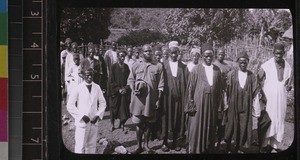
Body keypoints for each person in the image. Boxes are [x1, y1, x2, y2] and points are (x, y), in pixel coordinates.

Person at [186, 43, 222, 153]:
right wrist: (191, 103)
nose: (209, 58)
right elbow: (190, 88)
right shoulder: (196, 69)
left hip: (212, 104)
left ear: (213, 56)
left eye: (211, 55)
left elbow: (220, 89)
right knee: (197, 126)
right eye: (206, 56)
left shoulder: (217, 70)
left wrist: (220, 106)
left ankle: (208, 148)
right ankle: (195, 149)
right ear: (202, 56)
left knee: (211, 126)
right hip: (199, 104)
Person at [127, 44, 164, 154]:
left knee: (148, 123)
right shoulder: (136, 65)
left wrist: (158, 99)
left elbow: (161, 85)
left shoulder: (158, 66)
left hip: (151, 99)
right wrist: (133, 89)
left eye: (150, 51)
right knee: (138, 123)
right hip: (138, 99)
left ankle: (146, 145)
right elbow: (130, 79)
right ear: (142, 52)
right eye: (146, 51)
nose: (149, 53)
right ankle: (138, 146)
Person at [258, 43, 292, 153]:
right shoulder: (266, 66)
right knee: (268, 121)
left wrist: (288, 86)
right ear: (273, 53)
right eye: (276, 53)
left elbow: (287, 83)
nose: (278, 56)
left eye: (281, 54)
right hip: (269, 99)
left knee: (279, 120)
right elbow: (257, 80)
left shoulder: (288, 67)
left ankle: (274, 146)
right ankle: (263, 145)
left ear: (284, 53)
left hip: (281, 99)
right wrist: (261, 94)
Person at [224, 51, 260, 153]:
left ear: (248, 62)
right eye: (241, 62)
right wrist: (225, 104)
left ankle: (238, 147)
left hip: (246, 106)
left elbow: (255, 92)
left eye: (245, 62)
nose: (243, 64)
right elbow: (226, 91)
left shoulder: (252, 76)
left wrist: (256, 109)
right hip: (233, 106)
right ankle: (227, 146)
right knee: (231, 125)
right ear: (237, 62)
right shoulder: (231, 74)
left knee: (243, 126)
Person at [67, 68, 107, 154]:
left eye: (91, 75)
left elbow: (103, 103)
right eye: (87, 75)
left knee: (92, 146)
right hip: (82, 123)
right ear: (82, 76)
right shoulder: (78, 88)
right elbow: (70, 105)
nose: (89, 77)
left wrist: (98, 115)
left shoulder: (97, 87)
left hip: (93, 122)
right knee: (80, 147)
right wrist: (81, 116)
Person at [161, 46, 188, 152]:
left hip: (179, 98)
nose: (173, 55)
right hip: (166, 98)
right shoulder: (163, 66)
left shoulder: (183, 67)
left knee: (178, 118)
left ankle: (176, 141)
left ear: (178, 53)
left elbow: (186, 83)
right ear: (168, 53)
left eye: (175, 53)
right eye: (172, 53)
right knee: (166, 119)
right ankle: (164, 142)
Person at [213, 48, 232, 149]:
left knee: (222, 120)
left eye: (222, 54)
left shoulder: (228, 67)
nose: (221, 55)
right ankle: (211, 141)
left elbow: (230, 81)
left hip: (224, 95)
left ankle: (220, 141)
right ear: (216, 54)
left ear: (224, 55)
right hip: (214, 96)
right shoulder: (213, 65)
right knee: (213, 119)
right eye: (219, 54)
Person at [108, 50, 131, 132]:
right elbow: (111, 80)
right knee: (113, 107)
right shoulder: (113, 67)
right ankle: (112, 124)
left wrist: (125, 88)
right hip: (115, 91)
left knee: (123, 108)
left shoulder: (126, 67)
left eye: (123, 56)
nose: (122, 58)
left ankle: (122, 124)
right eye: (120, 56)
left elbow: (129, 79)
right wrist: (118, 89)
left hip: (124, 91)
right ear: (117, 57)